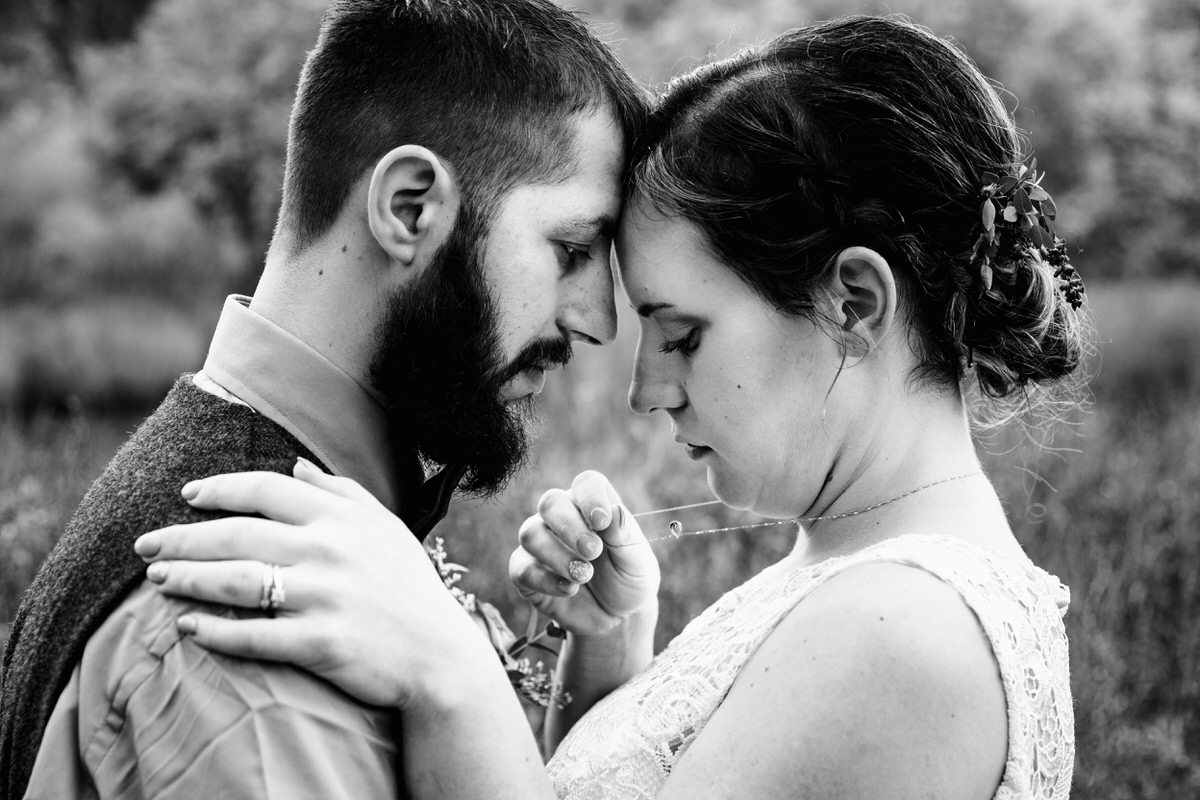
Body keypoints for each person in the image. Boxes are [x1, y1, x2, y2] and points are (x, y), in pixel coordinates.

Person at [133, 15, 1083, 800]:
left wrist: (448, 675)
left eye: (683, 334)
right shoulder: (853, 578)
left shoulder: (902, 637)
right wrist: (611, 669)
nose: (645, 390)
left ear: (854, 304)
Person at [0, 1, 648, 797]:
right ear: (409, 207)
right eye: (572, 249)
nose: (598, 321)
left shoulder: (329, 533)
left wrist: (591, 661)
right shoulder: (248, 648)